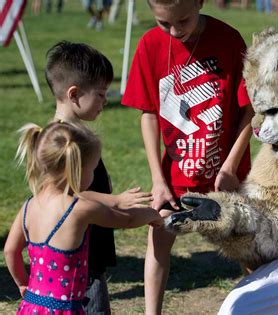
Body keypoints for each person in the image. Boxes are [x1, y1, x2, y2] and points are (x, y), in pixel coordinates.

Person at [121, 0, 254, 312]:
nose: (174, 31)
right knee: (158, 245)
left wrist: (232, 166)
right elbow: (149, 114)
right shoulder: (150, 45)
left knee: (250, 252)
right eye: (163, 23)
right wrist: (158, 180)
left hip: (226, 177)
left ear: (200, 2)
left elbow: (250, 110)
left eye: (183, 21)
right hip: (174, 178)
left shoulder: (229, 39)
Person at [3, 121, 163, 314]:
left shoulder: (28, 206)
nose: (94, 174)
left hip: (31, 305)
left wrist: (22, 283)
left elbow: (11, 251)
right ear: (76, 169)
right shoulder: (80, 209)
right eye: (93, 168)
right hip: (64, 309)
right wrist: (153, 215)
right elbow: (126, 219)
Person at [45, 40, 154, 314]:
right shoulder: (65, 142)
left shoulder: (64, 135)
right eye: (101, 94)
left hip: (86, 250)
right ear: (74, 93)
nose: (105, 101)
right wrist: (115, 200)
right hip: (81, 256)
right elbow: (68, 196)